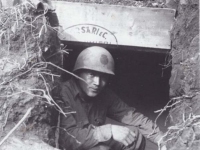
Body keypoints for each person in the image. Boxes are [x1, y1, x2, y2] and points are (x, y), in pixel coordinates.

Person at [59, 46, 166, 150]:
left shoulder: (104, 95)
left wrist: (160, 139)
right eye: (91, 74)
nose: (97, 82)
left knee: (134, 136)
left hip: (92, 142)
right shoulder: (63, 93)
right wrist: (108, 131)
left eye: (103, 76)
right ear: (78, 73)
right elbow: (67, 138)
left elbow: (132, 117)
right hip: (70, 146)